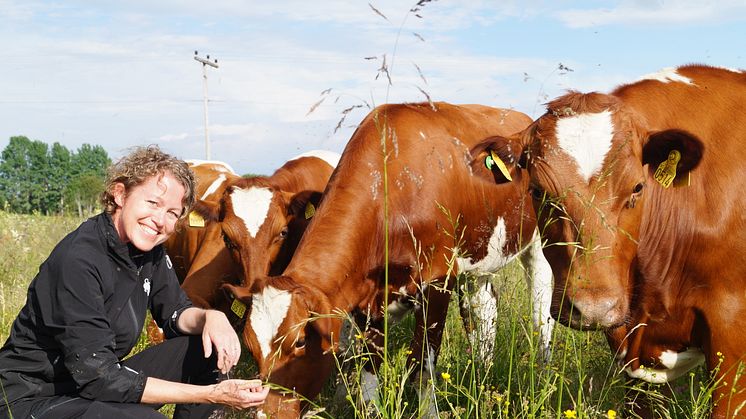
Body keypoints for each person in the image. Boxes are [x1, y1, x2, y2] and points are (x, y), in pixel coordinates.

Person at [0, 146, 268, 418]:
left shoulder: (149, 252)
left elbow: (175, 313)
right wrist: (209, 394)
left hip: (89, 385)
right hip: (34, 398)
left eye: (173, 213)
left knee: (208, 348)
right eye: (153, 203)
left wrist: (211, 318)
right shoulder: (79, 261)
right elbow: (100, 378)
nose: (160, 220)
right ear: (120, 194)